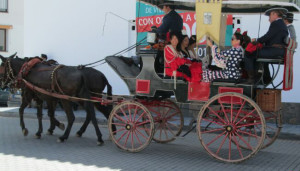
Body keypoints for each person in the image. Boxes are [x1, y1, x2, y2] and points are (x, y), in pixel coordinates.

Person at [244, 8, 288, 83]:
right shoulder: (282, 24)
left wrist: (257, 41)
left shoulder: (276, 23)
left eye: (269, 16)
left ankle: (251, 78)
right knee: (261, 57)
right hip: (279, 51)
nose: (269, 19)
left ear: (274, 14)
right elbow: (271, 38)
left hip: (274, 50)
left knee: (248, 53)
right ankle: (266, 77)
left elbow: (267, 36)